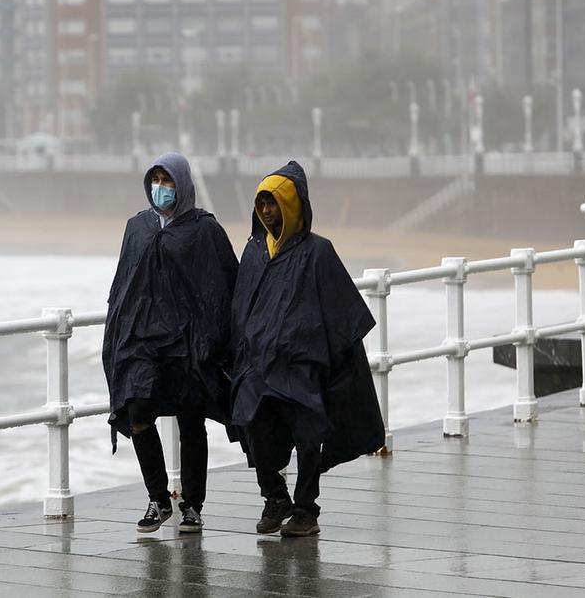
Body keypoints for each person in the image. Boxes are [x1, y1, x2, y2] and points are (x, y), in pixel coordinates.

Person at [230, 160, 385, 537]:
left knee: (307, 436)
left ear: (293, 204)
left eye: (273, 203)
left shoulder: (318, 252)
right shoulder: (254, 252)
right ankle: (274, 497)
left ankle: (305, 509)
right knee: (256, 429)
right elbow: (240, 308)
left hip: (303, 367)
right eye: (262, 203)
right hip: (259, 368)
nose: (267, 211)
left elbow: (342, 313)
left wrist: (329, 361)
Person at [102, 152, 239, 534]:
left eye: (168, 181)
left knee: (192, 420)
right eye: (155, 180)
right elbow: (123, 284)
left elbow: (224, 283)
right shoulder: (138, 227)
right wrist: (118, 334)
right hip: (143, 341)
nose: (161, 189)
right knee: (139, 412)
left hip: (189, 341)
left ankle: (192, 505)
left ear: (183, 184)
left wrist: (215, 339)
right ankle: (158, 498)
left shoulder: (204, 230)